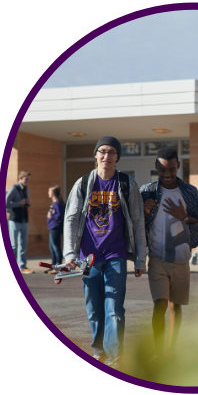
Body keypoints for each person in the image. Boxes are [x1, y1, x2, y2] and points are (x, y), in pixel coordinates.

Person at [63, 136, 146, 369]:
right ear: (96, 155)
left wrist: (140, 258)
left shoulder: (127, 184)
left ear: (117, 157)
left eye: (111, 152)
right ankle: (98, 352)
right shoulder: (82, 184)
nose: (106, 156)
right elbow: (70, 219)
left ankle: (113, 359)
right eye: (102, 151)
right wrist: (70, 254)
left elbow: (138, 223)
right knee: (94, 309)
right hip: (87, 258)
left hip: (115, 256)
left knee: (114, 309)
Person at [140, 147, 198, 361]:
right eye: (162, 169)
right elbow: (134, 226)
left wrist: (185, 217)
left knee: (175, 305)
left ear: (178, 165)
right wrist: (143, 211)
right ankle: (158, 352)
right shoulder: (146, 191)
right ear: (156, 168)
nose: (167, 174)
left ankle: (171, 350)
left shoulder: (189, 192)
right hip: (157, 259)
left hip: (181, 259)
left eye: (171, 169)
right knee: (159, 304)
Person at [6, 170, 33, 274]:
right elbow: (5, 203)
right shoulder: (14, 188)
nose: (27, 181)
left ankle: (22, 266)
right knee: (13, 245)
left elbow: (26, 203)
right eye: (26, 179)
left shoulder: (27, 189)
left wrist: (27, 203)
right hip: (14, 220)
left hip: (24, 219)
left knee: (23, 244)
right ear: (20, 178)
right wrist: (19, 203)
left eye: (29, 179)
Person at [46, 185, 66, 274]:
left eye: (49, 191)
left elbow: (60, 216)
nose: (48, 193)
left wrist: (52, 216)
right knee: (52, 248)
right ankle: (53, 266)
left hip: (56, 228)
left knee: (56, 247)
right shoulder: (54, 203)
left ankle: (58, 267)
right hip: (52, 227)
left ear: (53, 193)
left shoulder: (57, 203)